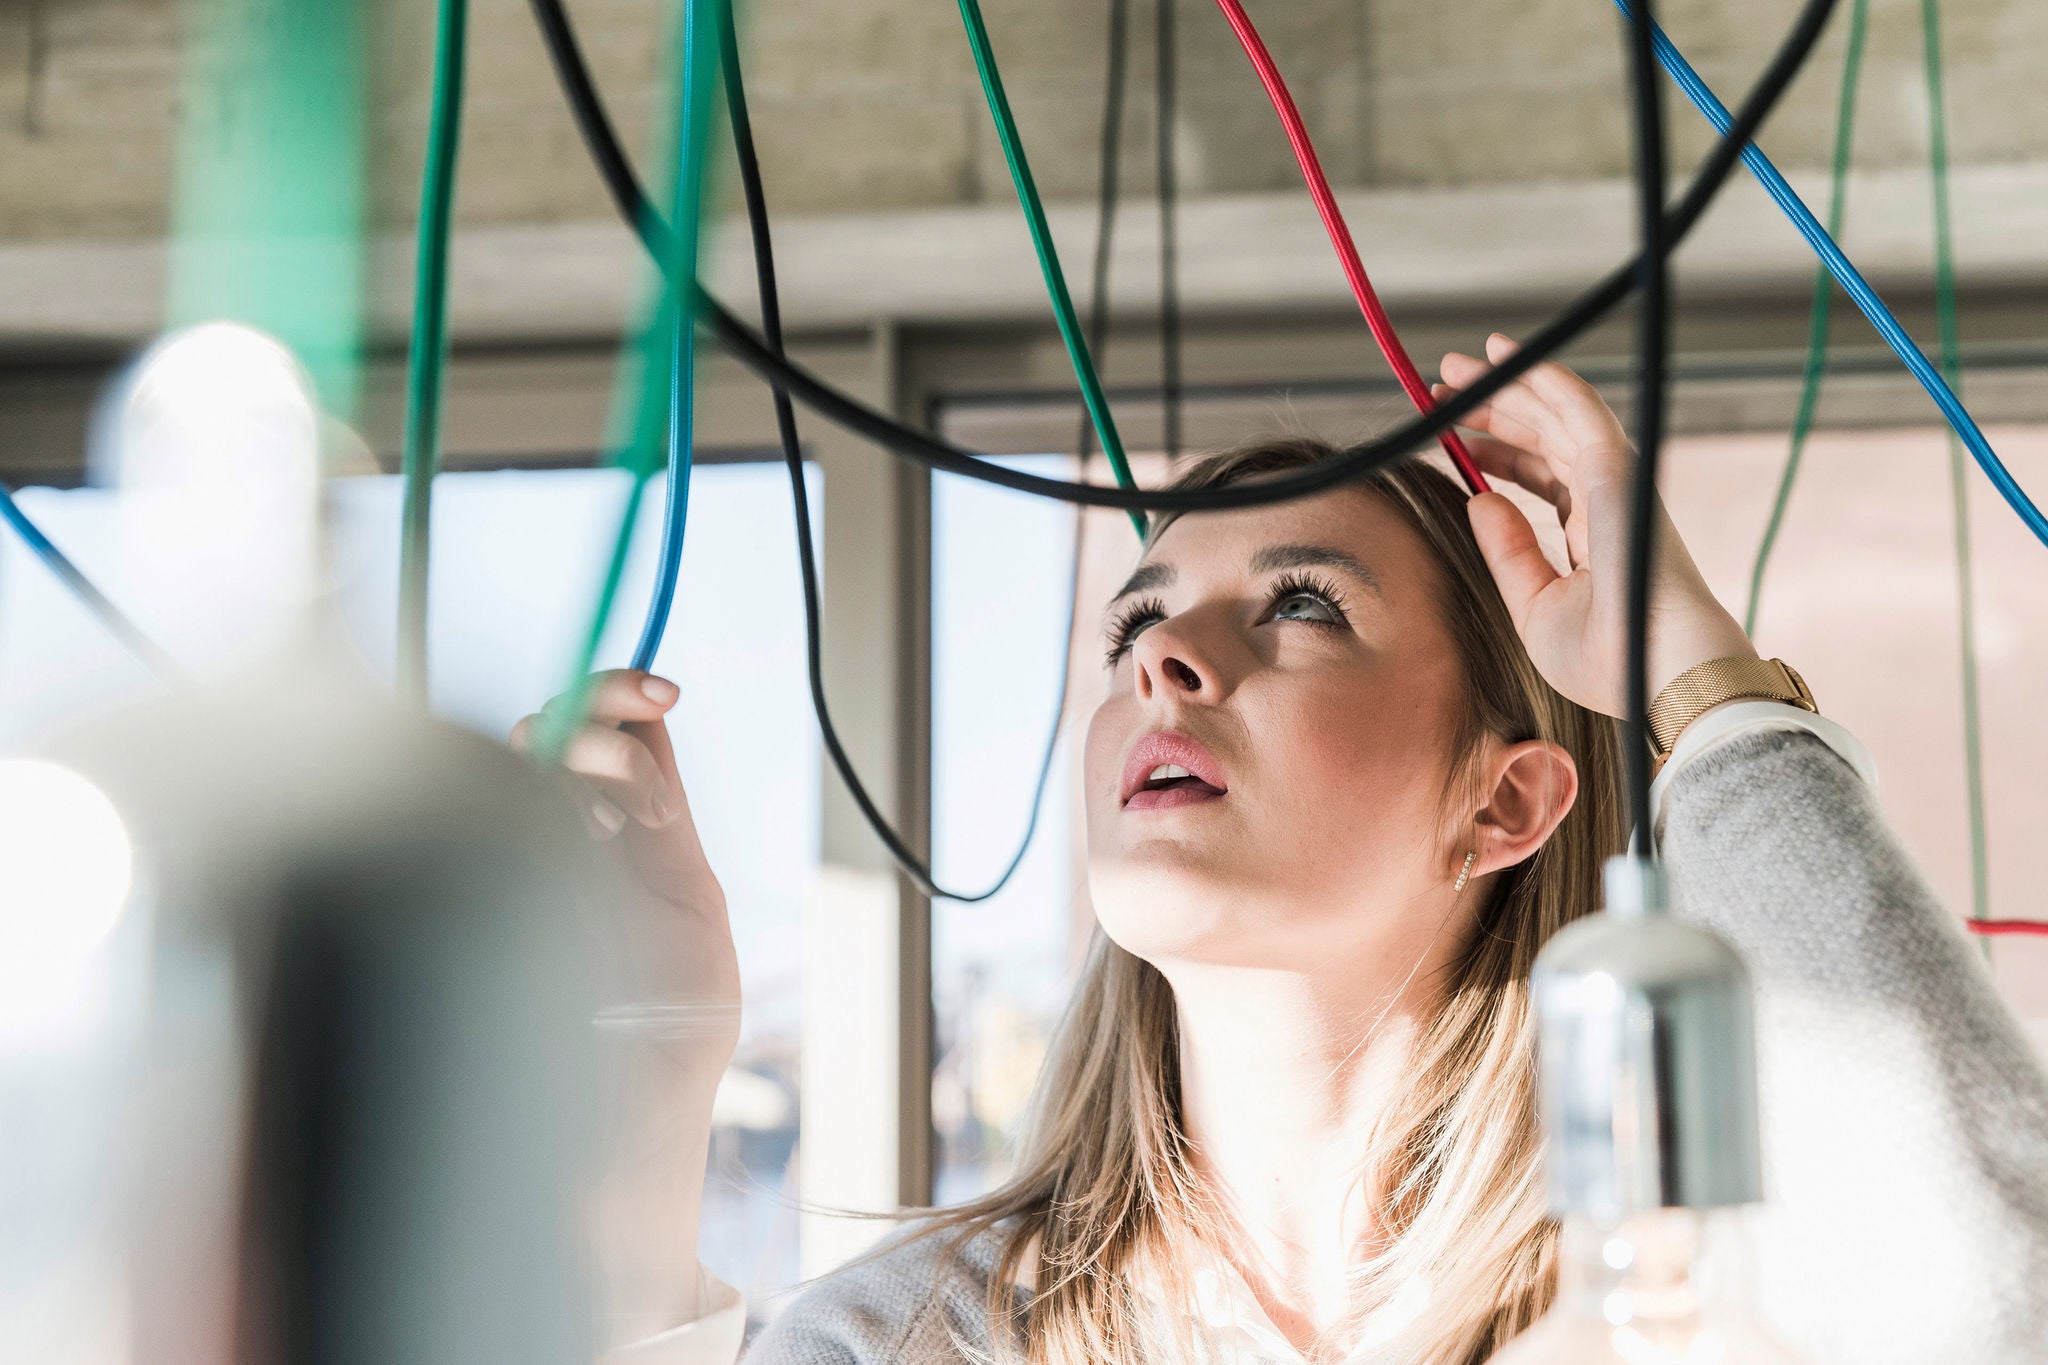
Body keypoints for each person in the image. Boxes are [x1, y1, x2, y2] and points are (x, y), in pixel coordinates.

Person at [516, 336, 2048, 1364]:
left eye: (1303, 603)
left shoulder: (1678, 1309)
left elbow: (2006, 1290)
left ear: (1504, 803)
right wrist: (653, 1099)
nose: (1164, 656)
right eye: (1135, 617)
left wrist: (1691, 674)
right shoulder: (915, 1337)